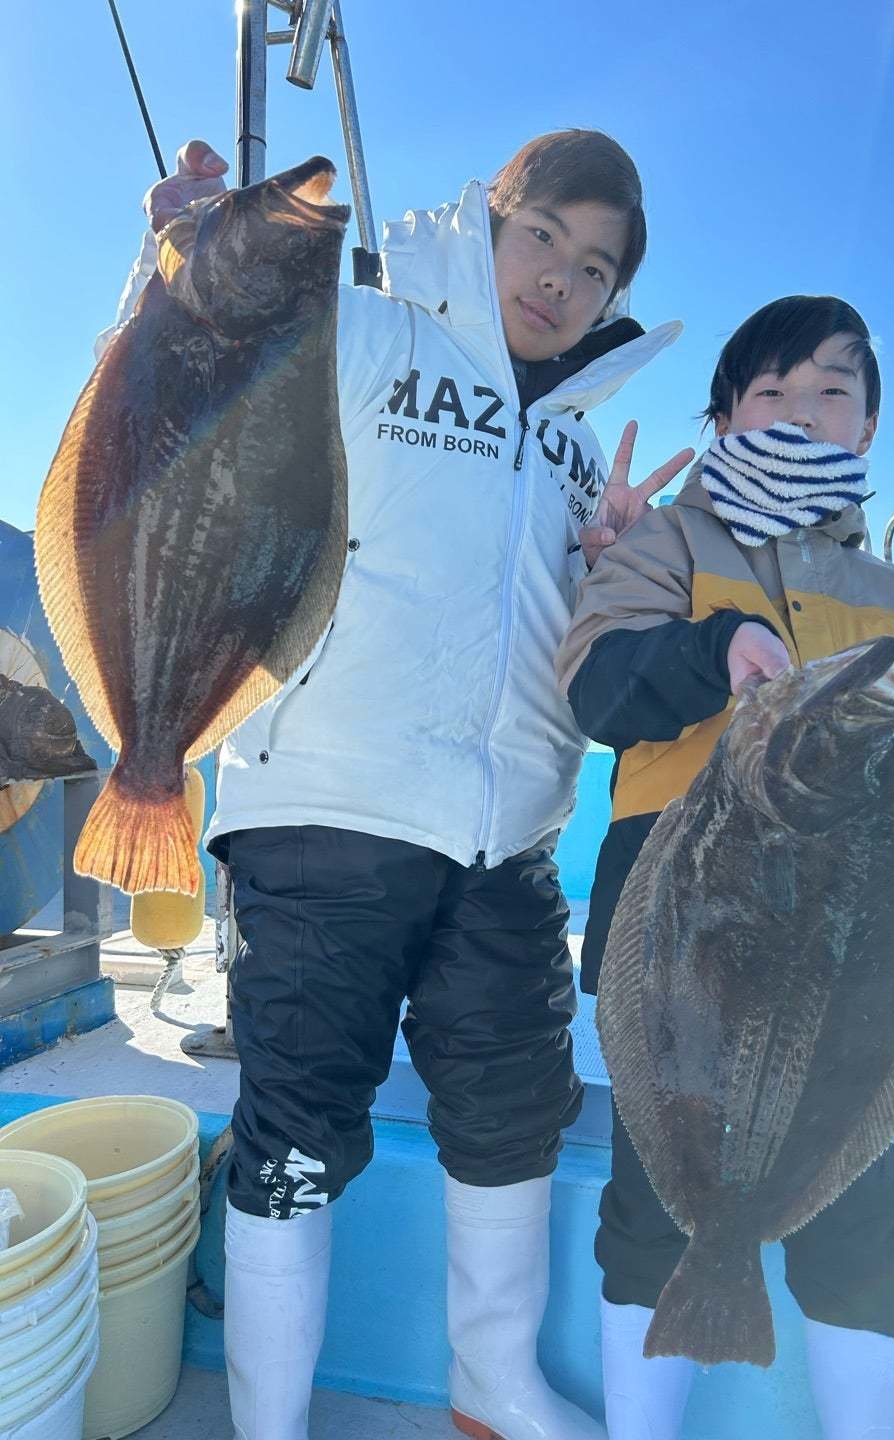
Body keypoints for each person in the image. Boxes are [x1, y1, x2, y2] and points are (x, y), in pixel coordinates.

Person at [101, 132, 693, 1440]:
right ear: (488, 222)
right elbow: (183, 393)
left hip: (509, 845)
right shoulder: (366, 331)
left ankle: (493, 1383)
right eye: (542, 235)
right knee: (295, 1137)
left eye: (597, 267)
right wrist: (183, 256)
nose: (561, 277)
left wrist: (619, 574)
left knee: (513, 1119)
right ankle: (269, 1424)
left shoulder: (581, 447)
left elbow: (559, 645)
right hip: (325, 813)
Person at [555, 293, 894, 1440]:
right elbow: (600, 686)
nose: (802, 409)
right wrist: (713, 647)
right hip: (686, 951)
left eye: (833, 390)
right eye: (773, 390)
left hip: (848, 956)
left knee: (857, 1228)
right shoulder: (667, 545)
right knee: (649, 1214)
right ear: (724, 418)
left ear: (869, 428)